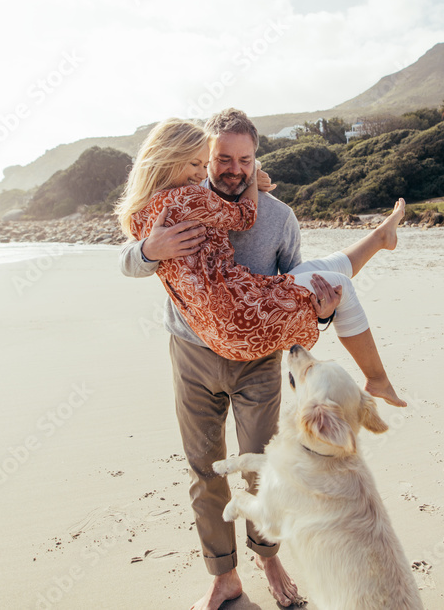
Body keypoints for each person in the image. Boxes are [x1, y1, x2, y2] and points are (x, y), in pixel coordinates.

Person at [117, 109, 403, 610]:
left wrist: (321, 316)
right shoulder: (182, 201)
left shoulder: (279, 216)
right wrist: (149, 248)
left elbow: (296, 286)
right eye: (221, 158)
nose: (232, 168)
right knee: (204, 470)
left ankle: (269, 557)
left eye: (243, 160)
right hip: (191, 354)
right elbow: (125, 260)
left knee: (263, 470)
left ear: (256, 160)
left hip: (257, 362)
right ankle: (224, 578)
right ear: (204, 158)